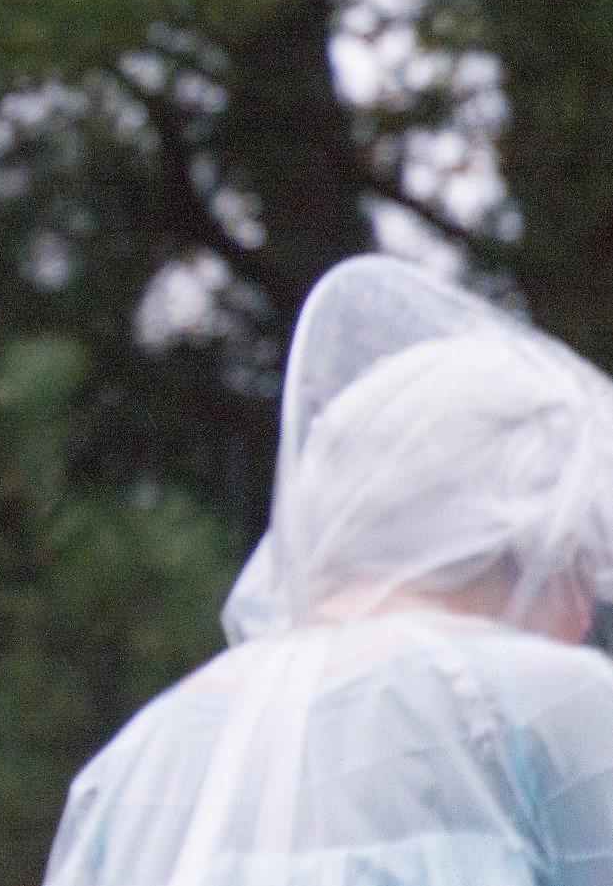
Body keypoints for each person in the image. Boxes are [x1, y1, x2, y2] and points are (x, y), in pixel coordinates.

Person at [44, 253, 613, 886]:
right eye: (582, 563)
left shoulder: (137, 756)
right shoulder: (548, 702)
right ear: (521, 548)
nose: (587, 610)